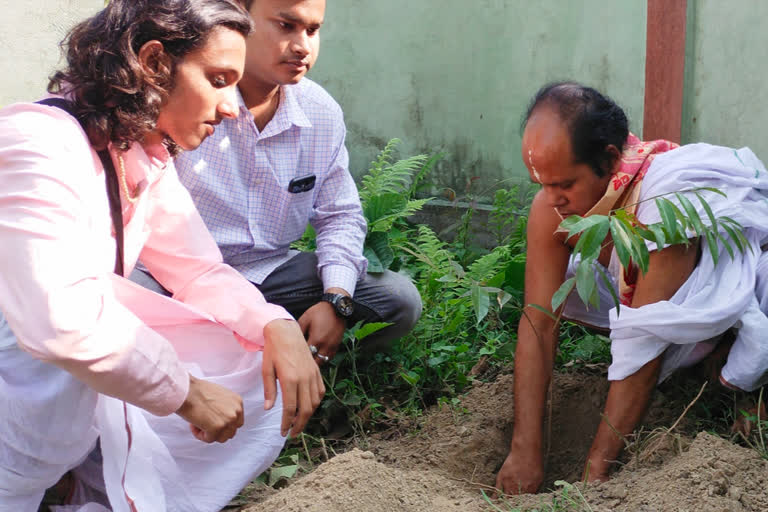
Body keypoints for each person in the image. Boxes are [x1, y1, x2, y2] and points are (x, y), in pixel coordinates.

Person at [0, 1, 324, 510]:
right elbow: (60, 319)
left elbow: (196, 269)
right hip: (12, 424)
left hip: (50, 421)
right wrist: (186, 393)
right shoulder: (38, 144)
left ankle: (76, 482)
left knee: (254, 354)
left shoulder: (139, 151)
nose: (232, 107)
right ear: (153, 63)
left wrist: (275, 324)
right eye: (218, 80)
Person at [496, 82, 768, 494]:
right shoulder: (551, 207)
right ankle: (708, 366)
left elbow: (642, 348)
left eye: (565, 184)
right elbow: (538, 324)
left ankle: (750, 390)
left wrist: (594, 478)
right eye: (542, 184)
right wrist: (523, 451)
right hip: (672, 309)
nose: (552, 200)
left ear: (608, 159)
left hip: (749, 295)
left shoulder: (668, 206)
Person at [130, 0, 423, 363]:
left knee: (396, 300)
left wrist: (336, 298)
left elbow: (340, 215)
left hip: (270, 272)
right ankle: (219, 375)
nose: (302, 45)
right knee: (124, 300)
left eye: (313, 30)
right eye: (285, 25)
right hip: (172, 278)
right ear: (239, 16)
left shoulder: (320, 111)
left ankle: (291, 376)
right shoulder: (188, 100)